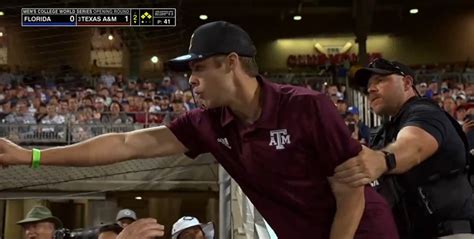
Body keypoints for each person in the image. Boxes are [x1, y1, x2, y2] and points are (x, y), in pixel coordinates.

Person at [0, 21, 397, 239]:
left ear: (230, 63)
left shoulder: (306, 106)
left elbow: (350, 195)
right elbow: (125, 143)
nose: (190, 80)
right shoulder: (207, 124)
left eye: (197, 67)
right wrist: (30, 156)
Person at [335, 58, 474, 238]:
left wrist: (384, 159)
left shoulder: (425, 112)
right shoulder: (386, 130)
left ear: (407, 83)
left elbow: (413, 144)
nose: (370, 89)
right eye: (368, 86)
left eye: (380, 80)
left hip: (449, 233)